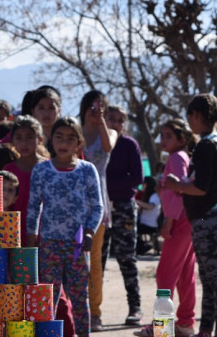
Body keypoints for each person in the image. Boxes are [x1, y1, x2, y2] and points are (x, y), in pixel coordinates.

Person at [27, 116, 104, 337]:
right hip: (49, 245)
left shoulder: (87, 170)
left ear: (78, 143)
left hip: (78, 246)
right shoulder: (41, 171)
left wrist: (90, 231)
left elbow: (97, 207)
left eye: (70, 138)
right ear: (51, 140)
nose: (64, 143)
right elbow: (34, 207)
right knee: (48, 298)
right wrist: (31, 237)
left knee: (80, 298)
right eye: (59, 137)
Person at [164, 93, 217, 337]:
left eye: (190, 116)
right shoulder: (213, 142)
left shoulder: (206, 145)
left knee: (216, 279)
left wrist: (177, 186)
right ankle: (205, 330)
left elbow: (201, 187)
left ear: (197, 115)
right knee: (208, 277)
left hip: (206, 217)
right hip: (204, 217)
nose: (189, 121)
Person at [135, 119, 197, 337]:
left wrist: (168, 223)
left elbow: (179, 192)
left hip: (179, 220)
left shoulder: (176, 157)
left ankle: (162, 327)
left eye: (169, 135)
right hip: (186, 220)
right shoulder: (181, 157)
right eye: (162, 135)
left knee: (165, 273)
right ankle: (186, 324)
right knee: (184, 274)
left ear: (182, 139)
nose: (163, 140)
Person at [80, 90, 118, 331]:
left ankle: (95, 312)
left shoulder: (110, 131)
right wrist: (85, 123)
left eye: (101, 107)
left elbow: (107, 146)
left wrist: (102, 121)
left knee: (95, 263)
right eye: (93, 107)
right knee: (72, 261)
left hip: (97, 206)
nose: (97, 111)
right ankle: (75, 308)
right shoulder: (75, 131)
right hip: (71, 206)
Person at [104, 104, 144, 326]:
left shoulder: (130, 145)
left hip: (124, 207)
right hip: (100, 207)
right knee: (97, 260)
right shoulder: (97, 143)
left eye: (120, 120)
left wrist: (110, 186)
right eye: (111, 119)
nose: (115, 124)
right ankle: (93, 309)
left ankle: (135, 307)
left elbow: (137, 177)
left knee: (127, 258)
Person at [3, 115, 47, 245]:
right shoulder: (8, 170)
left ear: (39, 139)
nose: (24, 143)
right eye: (19, 138)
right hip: (14, 236)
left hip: (44, 236)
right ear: (12, 141)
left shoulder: (49, 169)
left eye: (29, 137)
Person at [135, 176, 161, 255]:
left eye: (143, 184)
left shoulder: (154, 196)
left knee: (130, 228)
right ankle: (141, 246)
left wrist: (137, 202)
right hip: (144, 223)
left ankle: (142, 247)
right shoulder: (147, 196)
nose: (142, 186)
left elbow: (151, 206)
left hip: (150, 225)